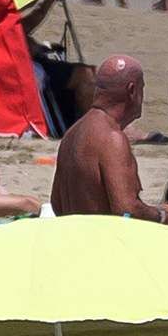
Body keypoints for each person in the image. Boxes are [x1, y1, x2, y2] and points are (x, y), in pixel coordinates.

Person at [51, 53, 145, 219]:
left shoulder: (70, 135)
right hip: (103, 241)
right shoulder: (112, 138)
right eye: (142, 88)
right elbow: (126, 209)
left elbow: (56, 204)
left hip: (72, 238)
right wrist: (162, 215)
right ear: (132, 91)